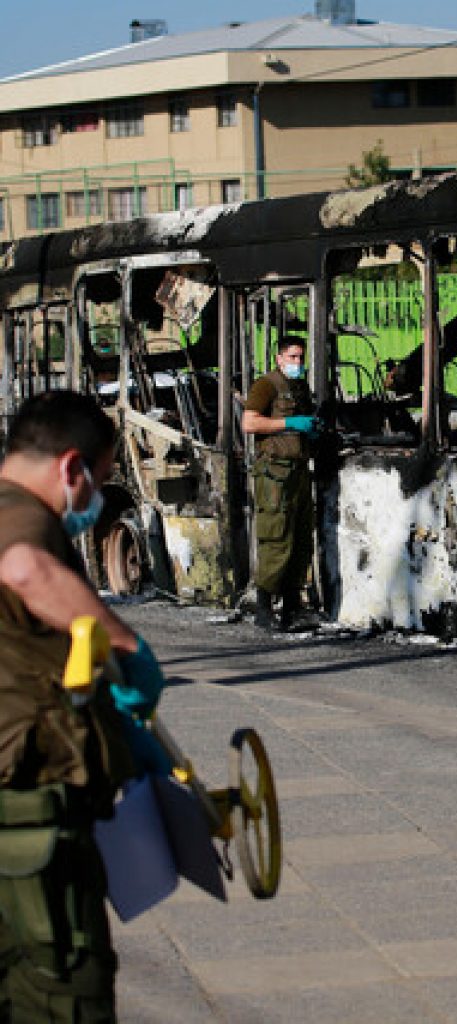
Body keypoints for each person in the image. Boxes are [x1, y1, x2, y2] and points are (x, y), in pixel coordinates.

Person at [0, 389, 167, 1023]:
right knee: (63, 994)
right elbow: (23, 569)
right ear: (71, 468)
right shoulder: (21, 515)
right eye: (96, 482)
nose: (92, 501)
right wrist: (124, 647)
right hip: (26, 817)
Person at [242, 336, 318, 630]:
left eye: (300, 357)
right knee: (276, 537)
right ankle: (264, 608)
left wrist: (311, 428)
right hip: (274, 473)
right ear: (279, 358)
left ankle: (291, 609)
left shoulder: (300, 387)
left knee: (300, 540)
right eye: (292, 357)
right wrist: (288, 424)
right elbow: (249, 423)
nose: (297, 363)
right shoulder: (267, 385)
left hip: (298, 471)